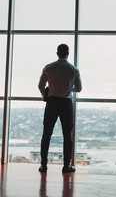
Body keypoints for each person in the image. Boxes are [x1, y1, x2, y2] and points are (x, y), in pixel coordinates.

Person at [38, 44, 82, 173]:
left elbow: (40, 85)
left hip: (52, 102)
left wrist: (47, 93)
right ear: (68, 53)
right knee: (67, 135)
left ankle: (43, 165)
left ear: (57, 53)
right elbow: (78, 89)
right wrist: (68, 89)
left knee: (46, 134)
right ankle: (66, 165)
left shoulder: (49, 67)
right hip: (66, 103)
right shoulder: (73, 70)